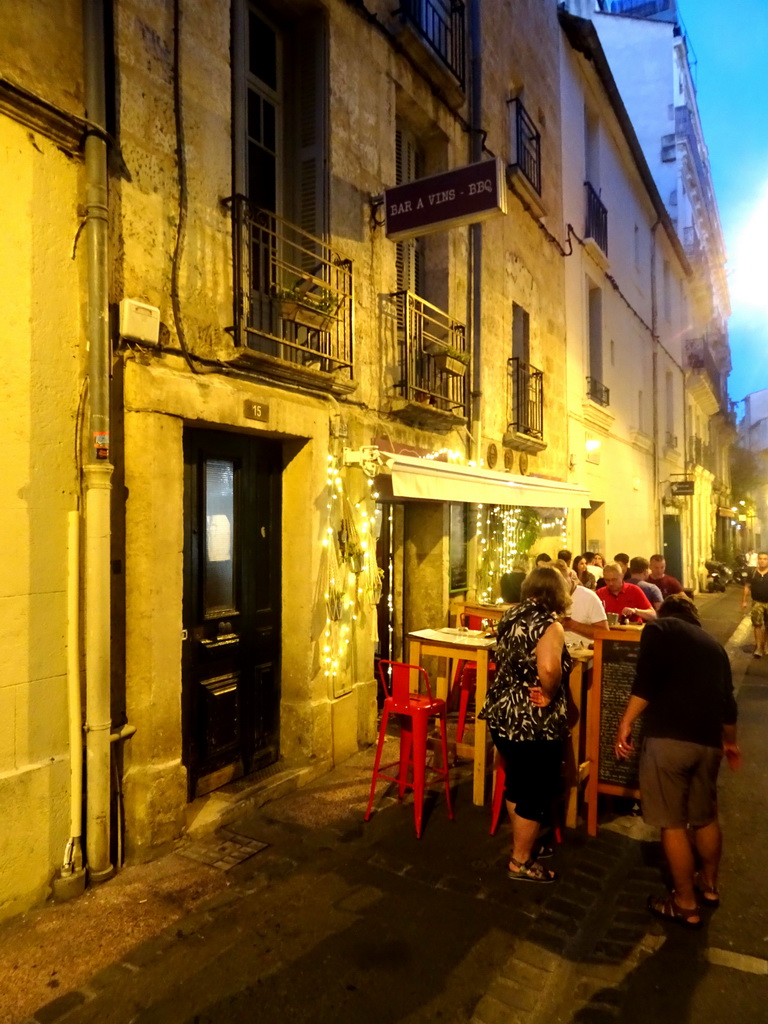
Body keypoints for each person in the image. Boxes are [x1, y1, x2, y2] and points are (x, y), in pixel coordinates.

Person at [615, 594, 740, 929]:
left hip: (669, 740)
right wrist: (730, 742)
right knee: (704, 817)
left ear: (664, 611)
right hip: (708, 743)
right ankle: (709, 886)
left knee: (672, 823)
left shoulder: (660, 629)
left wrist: (626, 722)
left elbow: (647, 681)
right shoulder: (713, 646)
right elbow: (728, 704)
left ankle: (685, 903)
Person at [478, 567, 572, 884]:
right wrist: (548, 692)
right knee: (535, 789)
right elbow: (547, 668)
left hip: (502, 714)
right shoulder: (549, 625)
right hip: (532, 721)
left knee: (517, 782)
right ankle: (520, 861)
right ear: (557, 593)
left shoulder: (511, 615)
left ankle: (524, 845)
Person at [554, 559, 608, 639]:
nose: (560, 587)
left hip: (585, 649)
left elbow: (604, 633)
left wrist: (572, 625)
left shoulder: (589, 596)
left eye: (562, 581)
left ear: (570, 575)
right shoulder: (549, 597)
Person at [741, 550, 768, 658]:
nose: (762, 561)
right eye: (760, 559)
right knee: (757, 625)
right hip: (757, 602)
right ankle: (758, 647)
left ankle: (764, 645)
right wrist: (744, 600)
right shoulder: (752, 573)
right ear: (758, 560)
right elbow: (747, 586)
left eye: (765, 559)